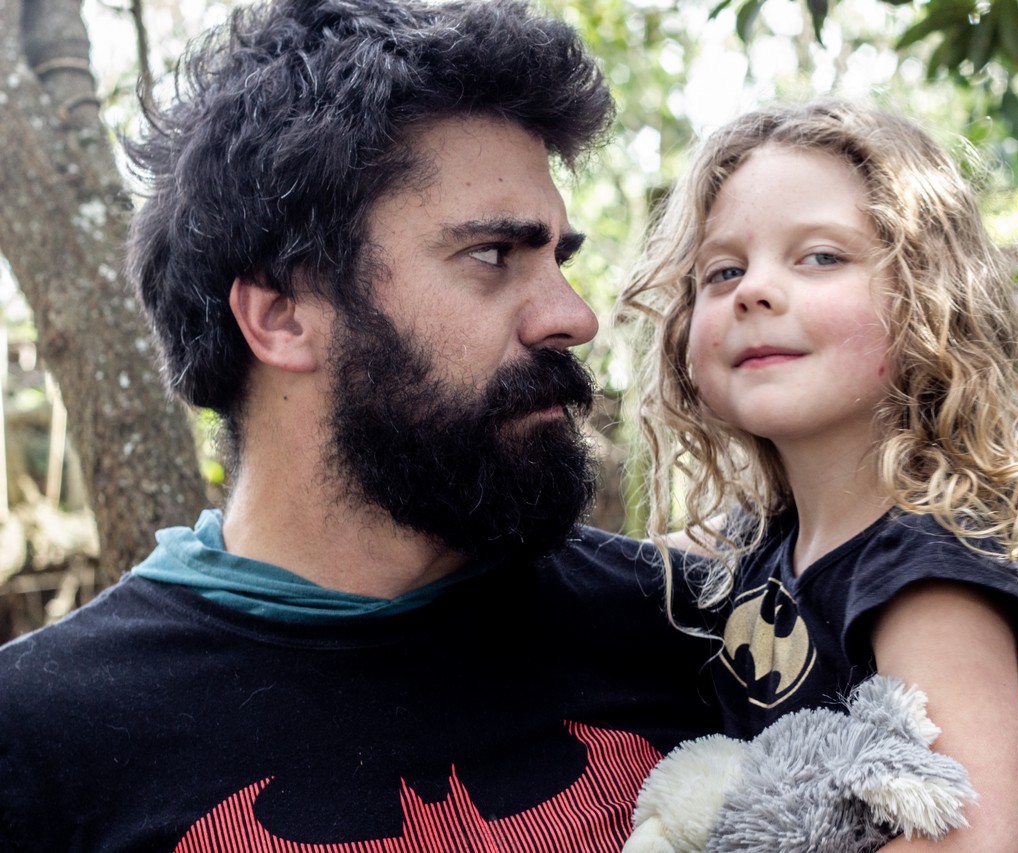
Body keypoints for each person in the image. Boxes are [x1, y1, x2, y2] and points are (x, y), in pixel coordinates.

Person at [0, 0, 720, 849]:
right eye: (492, 254)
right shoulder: (42, 740)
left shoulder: (686, 627)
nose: (575, 316)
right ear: (281, 317)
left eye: (557, 258)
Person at [621, 100, 1018, 851]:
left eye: (820, 257)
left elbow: (972, 842)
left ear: (931, 301)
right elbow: (617, 566)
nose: (752, 290)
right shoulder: (765, 542)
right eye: (723, 271)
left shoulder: (931, 567)